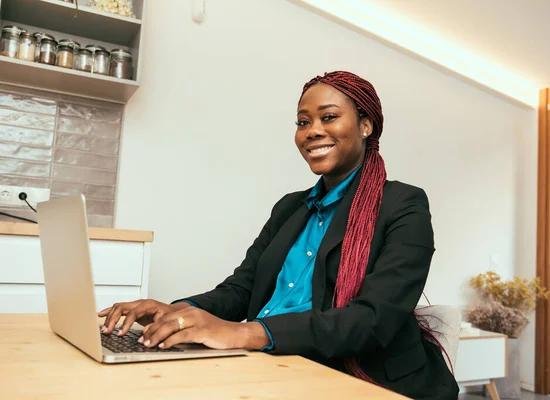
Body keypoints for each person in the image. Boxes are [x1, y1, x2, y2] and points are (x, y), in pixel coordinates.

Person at [99, 71, 459, 399]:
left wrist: (244, 333)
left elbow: (373, 319)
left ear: (366, 125)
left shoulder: (404, 204)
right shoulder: (289, 207)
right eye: (303, 122)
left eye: (328, 117)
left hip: (365, 380)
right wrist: (178, 310)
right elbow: (242, 288)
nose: (312, 130)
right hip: (276, 363)